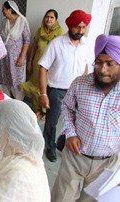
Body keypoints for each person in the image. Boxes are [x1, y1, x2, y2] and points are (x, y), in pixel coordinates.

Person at [51, 34, 120, 202]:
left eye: (110, 64)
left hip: (107, 164)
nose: (103, 69)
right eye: (99, 62)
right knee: (62, 198)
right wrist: (70, 133)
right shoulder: (80, 84)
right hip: (75, 157)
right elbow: (67, 107)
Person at [38, 10, 91, 162]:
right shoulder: (57, 44)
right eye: (77, 27)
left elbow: (84, 66)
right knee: (52, 121)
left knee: (73, 120)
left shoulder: (85, 44)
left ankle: (61, 142)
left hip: (77, 90)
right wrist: (43, 93)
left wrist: (84, 86)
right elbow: (42, 67)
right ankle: (49, 146)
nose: (80, 31)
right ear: (70, 26)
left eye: (83, 27)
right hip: (57, 91)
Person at [20, 9, 64, 118]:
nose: (48, 19)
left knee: (46, 89)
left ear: (56, 20)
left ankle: (47, 111)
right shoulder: (40, 30)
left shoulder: (60, 33)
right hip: (38, 64)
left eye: (51, 17)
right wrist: (30, 62)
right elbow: (34, 47)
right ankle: (37, 109)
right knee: (35, 88)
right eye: (47, 17)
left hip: (51, 66)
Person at [0, 0, 31, 100]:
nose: (2, 11)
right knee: (4, 79)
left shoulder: (22, 21)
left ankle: (18, 103)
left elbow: (27, 40)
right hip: (4, 58)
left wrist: (22, 57)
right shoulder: (4, 22)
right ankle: (6, 101)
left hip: (17, 59)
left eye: (4, 9)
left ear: (10, 9)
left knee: (17, 80)